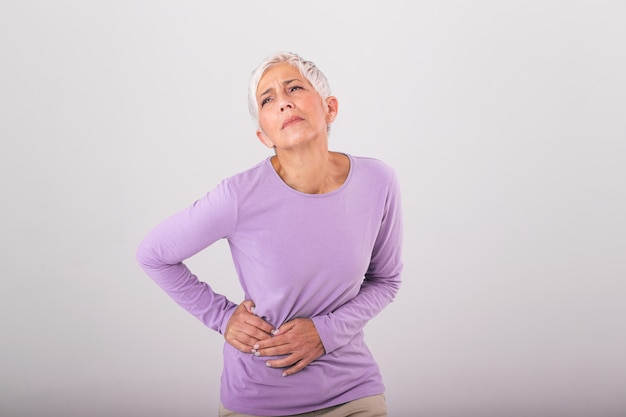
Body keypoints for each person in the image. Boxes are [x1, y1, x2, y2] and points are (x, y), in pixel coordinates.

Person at [136, 51, 403, 417]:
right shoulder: (238, 196)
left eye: (294, 87)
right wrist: (222, 317)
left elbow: (385, 280)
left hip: (352, 392)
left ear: (330, 108)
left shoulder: (378, 181)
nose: (284, 102)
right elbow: (153, 254)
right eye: (268, 98)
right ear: (263, 135)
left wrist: (325, 332)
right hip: (258, 399)